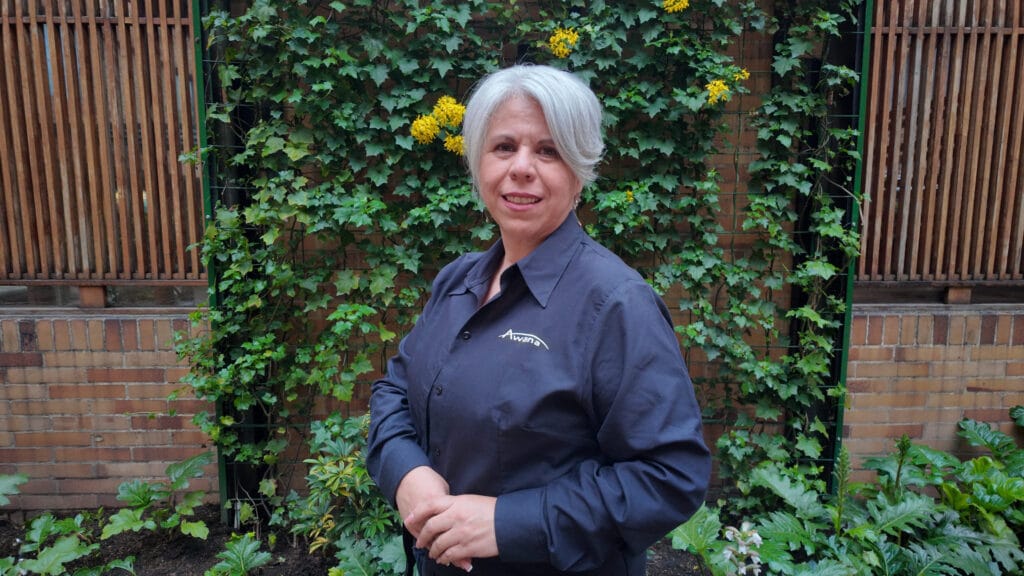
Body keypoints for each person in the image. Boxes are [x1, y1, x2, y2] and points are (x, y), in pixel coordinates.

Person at [367, 64, 711, 576]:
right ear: (478, 163)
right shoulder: (457, 281)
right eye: (504, 147)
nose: (522, 167)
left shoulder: (616, 305)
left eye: (548, 151)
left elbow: (669, 476)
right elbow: (394, 391)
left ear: (580, 170)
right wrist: (406, 472)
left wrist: (507, 524)